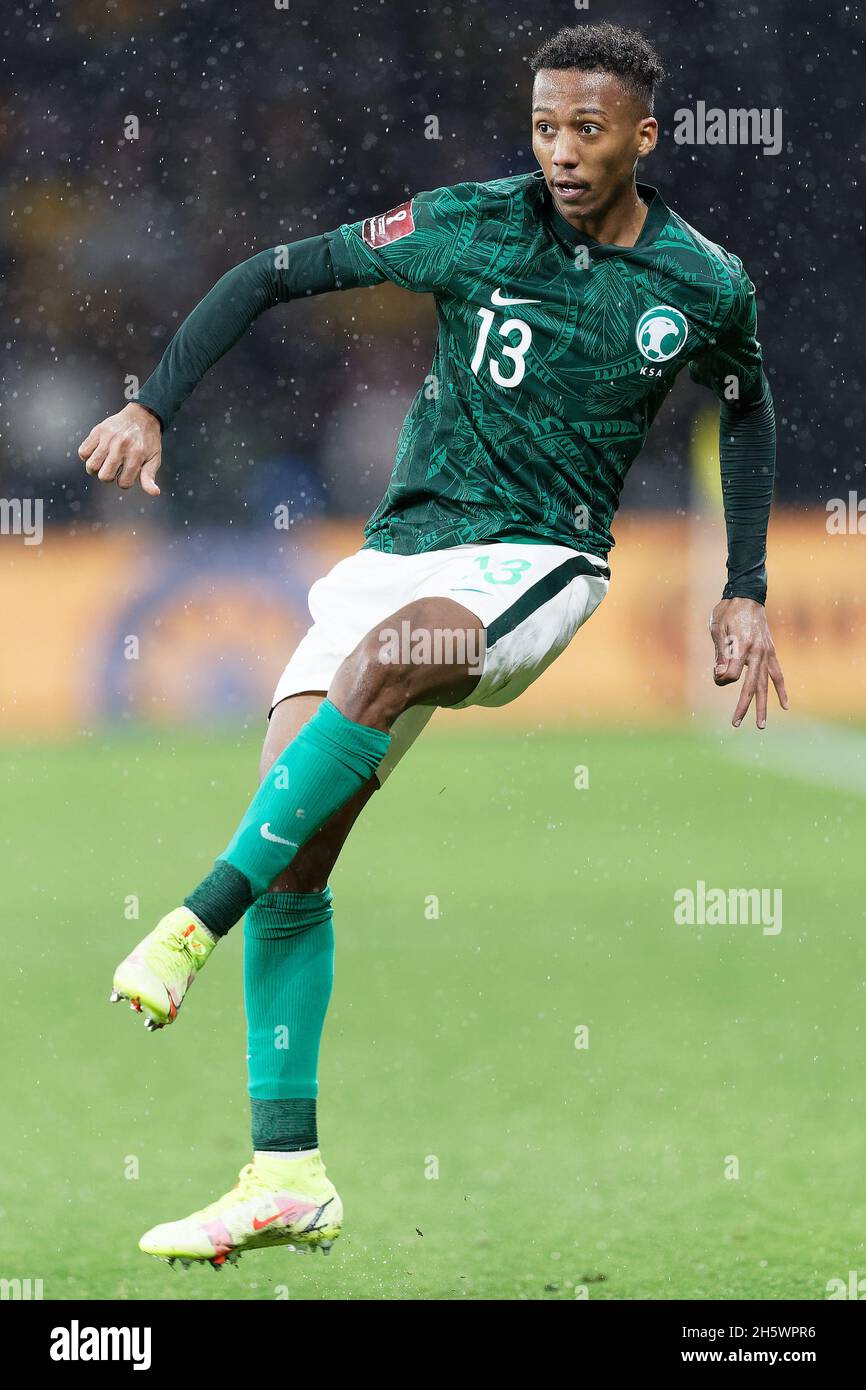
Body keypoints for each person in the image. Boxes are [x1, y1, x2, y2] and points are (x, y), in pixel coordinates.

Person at [79, 21, 787, 1267]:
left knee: (392, 659)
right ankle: (283, 1175)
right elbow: (269, 273)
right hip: (399, 551)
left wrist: (744, 583)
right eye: (542, 127)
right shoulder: (472, 222)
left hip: (537, 562)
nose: (560, 153)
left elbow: (747, 398)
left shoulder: (701, 282)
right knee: (295, 847)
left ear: (641, 137)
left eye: (585, 130)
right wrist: (150, 400)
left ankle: (190, 920)